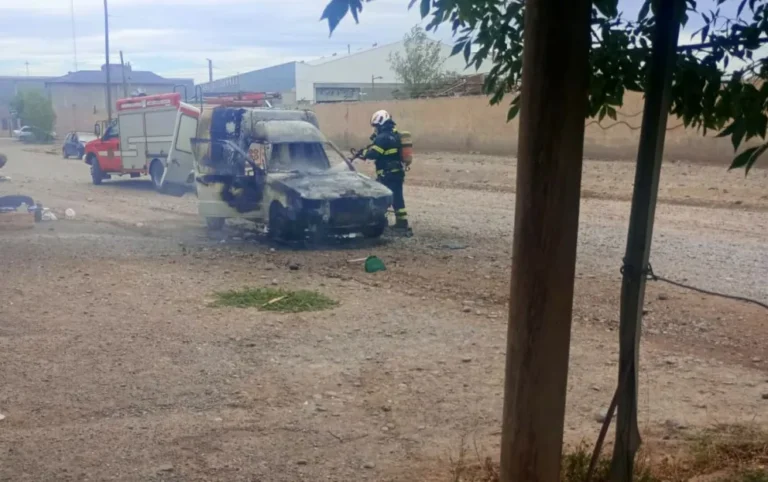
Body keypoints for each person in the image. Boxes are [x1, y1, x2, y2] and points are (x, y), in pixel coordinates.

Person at [361, 110, 410, 231]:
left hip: (387, 174)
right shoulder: (395, 134)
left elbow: (374, 154)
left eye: (376, 126)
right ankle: (402, 223)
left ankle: (382, 223)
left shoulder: (382, 137)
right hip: (397, 172)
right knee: (397, 198)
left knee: (381, 198)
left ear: (381, 123)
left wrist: (364, 153)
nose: (375, 129)